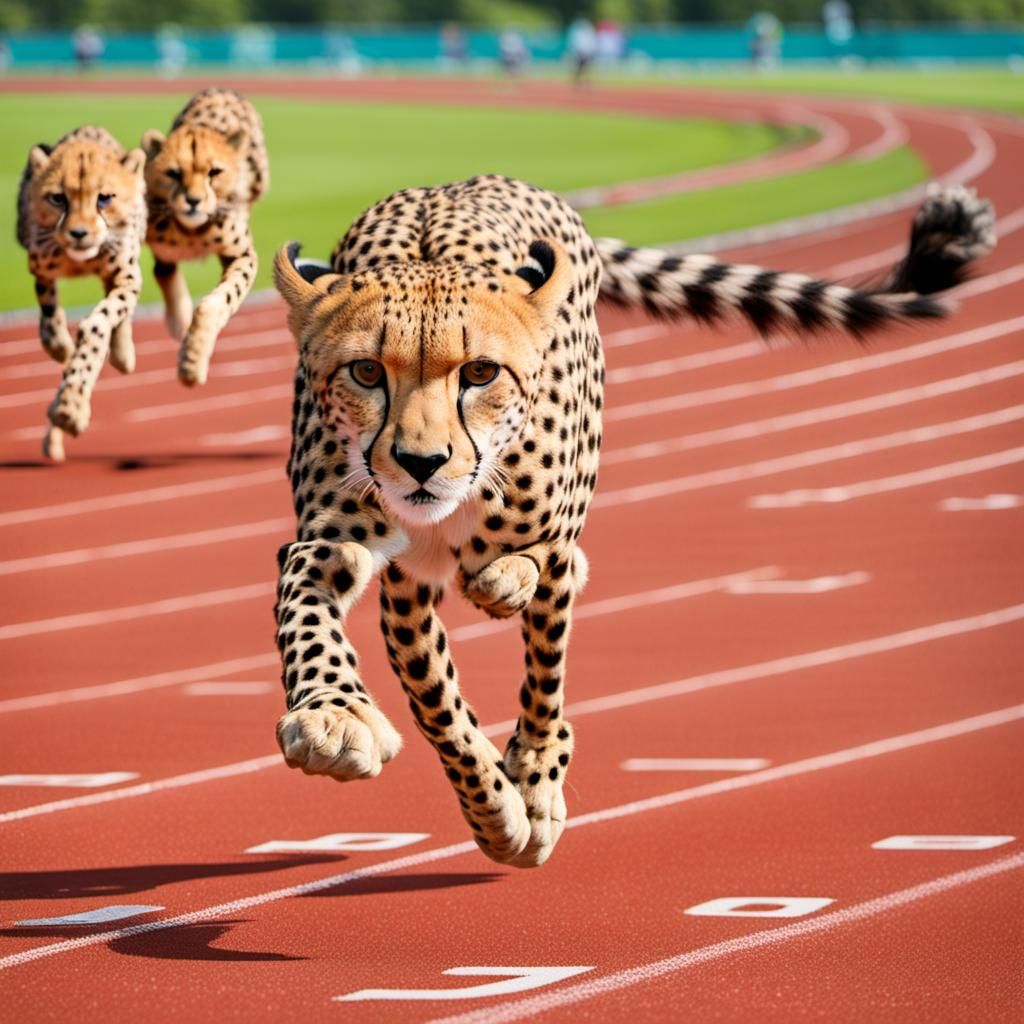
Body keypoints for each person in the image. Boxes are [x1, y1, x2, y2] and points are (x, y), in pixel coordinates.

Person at [567, 17, 598, 84]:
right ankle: (577, 80)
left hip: (587, 54)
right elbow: (577, 45)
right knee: (579, 68)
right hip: (580, 53)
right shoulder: (580, 34)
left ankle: (585, 81)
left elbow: (592, 45)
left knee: (587, 68)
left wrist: (592, 52)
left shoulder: (590, 35)